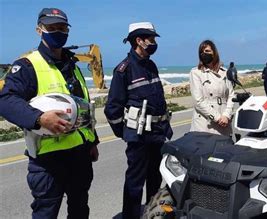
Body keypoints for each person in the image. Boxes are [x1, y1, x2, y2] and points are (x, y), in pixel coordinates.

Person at [0, 8, 99, 218]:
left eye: (62, 28)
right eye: (51, 28)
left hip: (80, 155)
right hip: (48, 160)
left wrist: (92, 142)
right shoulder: (28, 65)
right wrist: (39, 118)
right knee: (46, 213)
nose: (58, 32)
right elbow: (6, 100)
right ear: (39, 30)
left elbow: (83, 105)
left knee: (80, 209)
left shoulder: (72, 64)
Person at [104, 22, 173, 219]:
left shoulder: (151, 65)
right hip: (139, 137)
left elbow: (158, 99)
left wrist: (164, 127)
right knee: (135, 183)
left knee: (155, 179)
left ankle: (152, 215)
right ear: (138, 40)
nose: (153, 43)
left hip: (157, 134)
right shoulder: (124, 70)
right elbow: (112, 108)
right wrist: (125, 133)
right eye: (150, 39)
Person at [189, 40, 235, 136]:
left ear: (214, 53)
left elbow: (231, 96)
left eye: (207, 51)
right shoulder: (196, 73)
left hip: (224, 122)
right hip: (205, 123)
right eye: (201, 52)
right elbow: (198, 101)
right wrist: (217, 118)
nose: (204, 54)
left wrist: (226, 115)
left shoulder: (224, 72)